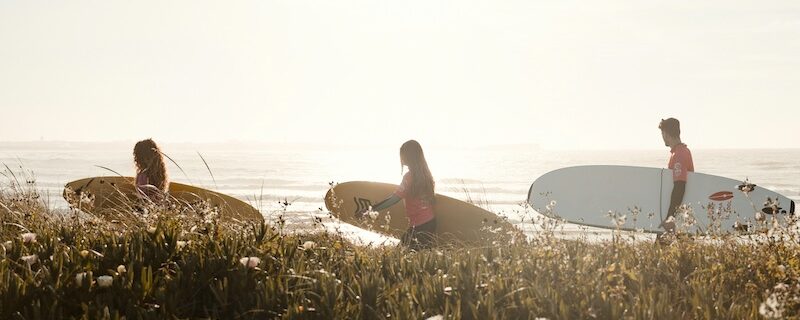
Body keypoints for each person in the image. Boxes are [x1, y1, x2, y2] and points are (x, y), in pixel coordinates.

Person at [360, 140, 437, 249]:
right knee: (415, 256)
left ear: (409, 156)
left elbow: (394, 199)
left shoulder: (409, 177)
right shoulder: (426, 175)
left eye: (403, 154)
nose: (401, 157)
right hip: (430, 222)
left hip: (419, 226)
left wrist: (372, 209)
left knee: (399, 255)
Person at [659, 118, 694, 233]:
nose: (662, 137)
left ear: (666, 133)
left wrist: (670, 217)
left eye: (662, 133)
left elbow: (680, 185)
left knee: (661, 248)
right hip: (681, 214)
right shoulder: (680, 151)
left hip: (677, 216)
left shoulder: (679, 154)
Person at [133, 139, 169, 204]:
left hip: (144, 208)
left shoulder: (143, 175)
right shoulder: (160, 173)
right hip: (157, 207)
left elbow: (143, 198)